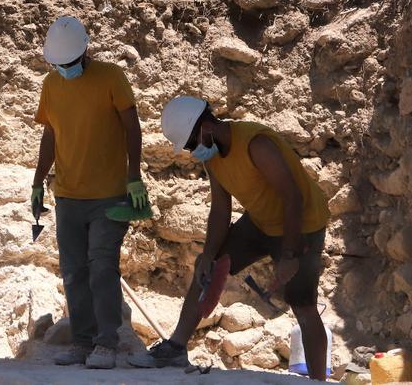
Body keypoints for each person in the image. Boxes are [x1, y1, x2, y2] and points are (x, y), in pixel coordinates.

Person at [129, 96, 331, 380]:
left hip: (302, 222)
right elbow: (220, 209)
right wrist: (209, 254)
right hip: (261, 220)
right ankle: (175, 347)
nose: (191, 151)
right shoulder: (213, 157)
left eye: (190, 144)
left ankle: (318, 380)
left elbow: (292, 197)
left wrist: (289, 255)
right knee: (207, 270)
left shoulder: (255, 144)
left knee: (303, 305)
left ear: (206, 128)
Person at [32, 16, 147, 370]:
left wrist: (134, 177)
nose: (65, 69)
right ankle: (83, 343)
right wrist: (38, 181)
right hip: (67, 195)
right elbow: (50, 135)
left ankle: (106, 344)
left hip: (110, 196)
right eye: (59, 64)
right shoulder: (51, 84)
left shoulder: (111, 77)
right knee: (74, 271)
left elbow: (132, 127)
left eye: (69, 63)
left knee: (102, 267)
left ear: (85, 50)